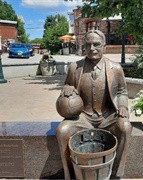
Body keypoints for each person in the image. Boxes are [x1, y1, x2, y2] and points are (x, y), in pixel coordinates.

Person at [56, 30, 132, 180]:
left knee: (125, 127)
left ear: (104, 46)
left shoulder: (115, 68)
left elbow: (122, 91)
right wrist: (66, 90)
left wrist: (122, 106)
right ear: (84, 47)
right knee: (62, 131)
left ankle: (117, 173)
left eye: (96, 44)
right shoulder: (74, 67)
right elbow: (66, 87)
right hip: (82, 117)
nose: (92, 48)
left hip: (107, 116)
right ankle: (69, 174)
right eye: (88, 45)